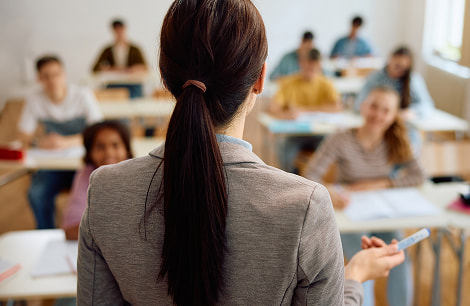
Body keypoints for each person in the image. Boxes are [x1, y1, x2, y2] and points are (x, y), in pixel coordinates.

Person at [77, 1, 404, 305]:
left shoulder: (106, 190)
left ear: (165, 77)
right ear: (260, 79)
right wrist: (356, 276)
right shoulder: (304, 206)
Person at [305, 86, 425, 306]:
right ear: (363, 106)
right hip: (350, 211)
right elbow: (310, 174)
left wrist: (383, 183)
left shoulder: (397, 140)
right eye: (373, 106)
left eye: (386, 110)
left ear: (393, 116)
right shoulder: (340, 139)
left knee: (398, 257)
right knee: (361, 261)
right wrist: (330, 192)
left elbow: (419, 176)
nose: (378, 115)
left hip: (383, 211)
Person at [18, 55, 102, 229]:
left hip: (81, 164)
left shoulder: (82, 95)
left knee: (90, 194)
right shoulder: (35, 98)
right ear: (39, 78)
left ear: (63, 74)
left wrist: (64, 142)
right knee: (37, 193)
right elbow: (24, 136)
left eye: (56, 74)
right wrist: (39, 142)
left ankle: (85, 235)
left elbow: (98, 132)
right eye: (46, 76)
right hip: (53, 165)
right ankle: (47, 234)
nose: (52, 80)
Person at [270, 48, 341, 172]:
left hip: (320, 133)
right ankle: (291, 180)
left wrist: (304, 110)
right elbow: (272, 108)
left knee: (333, 150)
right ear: (301, 63)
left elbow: (337, 107)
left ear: (319, 66)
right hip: (295, 134)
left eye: (314, 68)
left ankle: (318, 182)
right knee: (284, 150)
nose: (310, 71)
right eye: (308, 67)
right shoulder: (289, 82)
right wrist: (285, 115)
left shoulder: (326, 83)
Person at [62, 121, 133, 240]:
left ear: (127, 149)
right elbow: (71, 228)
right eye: (100, 146)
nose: (109, 153)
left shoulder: (138, 175)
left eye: (115, 145)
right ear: (90, 152)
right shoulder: (86, 175)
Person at [354, 46, 434, 150]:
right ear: (390, 60)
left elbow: (427, 105)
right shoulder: (375, 78)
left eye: (405, 69)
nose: (400, 71)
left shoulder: (413, 80)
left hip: (403, 131)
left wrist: (412, 112)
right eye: (397, 66)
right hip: (377, 129)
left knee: (409, 150)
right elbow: (358, 104)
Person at [92, 19, 148, 98]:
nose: (119, 33)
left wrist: (133, 69)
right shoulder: (107, 50)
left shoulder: (135, 49)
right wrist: (114, 69)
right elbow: (95, 68)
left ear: (124, 29)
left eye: (120, 29)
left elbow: (145, 67)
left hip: (132, 84)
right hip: (114, 84)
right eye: (116, 30)